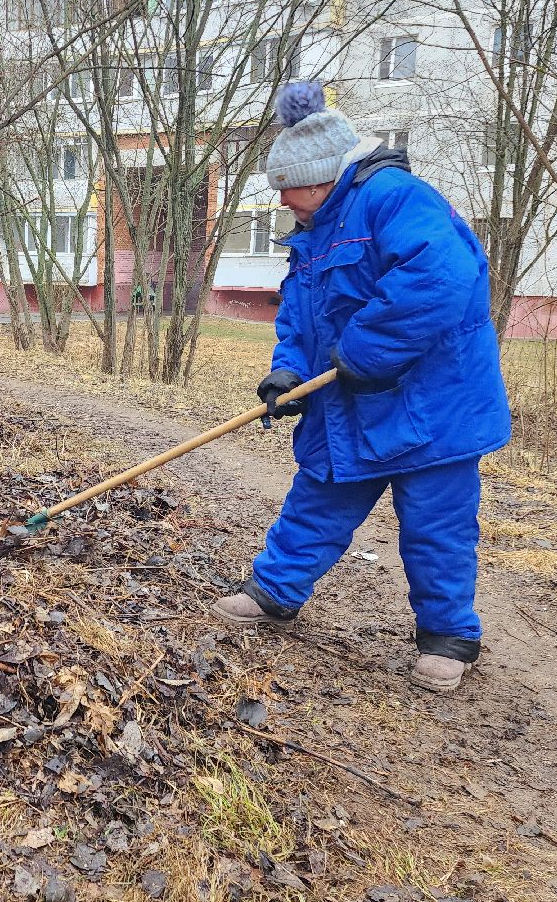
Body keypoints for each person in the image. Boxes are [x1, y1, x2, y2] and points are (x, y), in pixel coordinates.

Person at [210, 82, 511, 693]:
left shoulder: (396, 200)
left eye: (289, 195)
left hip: (431, 407)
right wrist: (288, 370)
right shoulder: (317, 227)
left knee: (437, 524)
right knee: (319, 494)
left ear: (321, 179)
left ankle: (449, 634)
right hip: (348, 403)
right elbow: (301, 311)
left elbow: (441, 279)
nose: (284, 207)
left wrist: (363, 351)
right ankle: (275, 592)